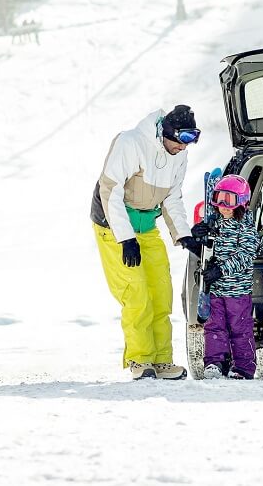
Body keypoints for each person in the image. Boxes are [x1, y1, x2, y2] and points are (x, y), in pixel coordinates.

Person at [90, 105, 202, 380]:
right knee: (136, 293)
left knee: (160, 293)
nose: (184, 147)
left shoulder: (179, 154)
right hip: (114, 225)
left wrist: (184, 234)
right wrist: (126, 239)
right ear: (167, 132)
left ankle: (162, 361)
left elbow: (172, 197)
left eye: (191, 140)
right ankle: (140, 360)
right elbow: (110, 191)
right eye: (181, 140)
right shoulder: (131, 143)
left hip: (147, 225)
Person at [199, 174, 259, 380]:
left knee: (239, 329)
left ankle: (243, 367)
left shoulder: (247, 227)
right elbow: (207, 248)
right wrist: (200, 235)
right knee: (214, 326)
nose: (223, 205)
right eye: (219, 198)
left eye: (230, 200)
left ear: (242, 202)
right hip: (216, 289)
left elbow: (246, 255)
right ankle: (215, 362)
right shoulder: (218, 224)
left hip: (237, 291)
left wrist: (221, 269)